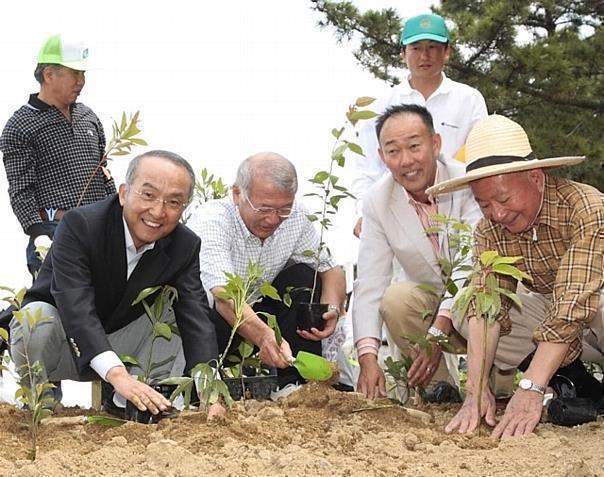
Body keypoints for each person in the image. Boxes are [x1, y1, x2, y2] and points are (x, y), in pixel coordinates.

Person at [9, 150, 223, 418]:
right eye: (148, 195)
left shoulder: (184, 245)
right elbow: (75, 306)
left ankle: (137, 403)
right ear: (123, 193)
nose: (158, 211)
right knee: (34, 318)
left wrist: (210, 389)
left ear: (183, 208)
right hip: (62, 344)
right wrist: (116, 373)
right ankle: (42, 405)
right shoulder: (82, 225)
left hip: (123, 344)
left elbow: (196, 317)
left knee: (184, 301)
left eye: (173, 202)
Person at [427, 114, 603, 438]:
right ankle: (578, 383)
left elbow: (574, 300)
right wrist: (476, 391)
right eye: (484, 205)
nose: (498, 213)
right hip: (564, 330)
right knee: (469, 311)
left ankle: (548, 380)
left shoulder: (586, 207)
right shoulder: (489, 231)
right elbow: (487, 306)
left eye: (504, 199)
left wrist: (531, 387)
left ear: (535, 177)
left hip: (596, 313)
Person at [188, 152, 347, 392]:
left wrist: (331, 308)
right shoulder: (213, 220)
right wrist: (264, 337)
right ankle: (206, 385)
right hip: (215, 323)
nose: (273, 219)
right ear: (237, 193)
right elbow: (224, 296)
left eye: (283, 209)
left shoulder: (296, 217)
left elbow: (331, 269)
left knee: (305, 277)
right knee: (211, 306)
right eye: (263, 208)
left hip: (261, 317)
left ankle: (295, 384)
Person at [353, 104, 482, 399]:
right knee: (395, 299)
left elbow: (472, 263)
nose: (406, 161)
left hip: (480, 299)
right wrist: (367, 357)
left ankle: (494, 385)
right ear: (382, 157)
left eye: (414, 146)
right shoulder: (377, 201)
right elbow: (370, 282)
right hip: (430, 305)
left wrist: (439, 330)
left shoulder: (469, 181)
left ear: (435, 144)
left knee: (489, 296)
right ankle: (441, 388)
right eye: (393, 151)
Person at [352, 13, 487, 238]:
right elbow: (367, 168)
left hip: (459, 212)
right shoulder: (382, 104)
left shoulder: (469, 99)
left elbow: (482, 159)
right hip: (398, 215)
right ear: (403, 53)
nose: (424, 56)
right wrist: (363, 213)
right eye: (416, 48)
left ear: (447, 51)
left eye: (433, 47)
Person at [0, 33, 114, 277]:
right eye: (75, 73)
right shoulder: (20, 125)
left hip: (100, 231)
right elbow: (21, 188)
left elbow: (103, 172)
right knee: (57, 310)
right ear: (49, 74)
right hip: (55, 231)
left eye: (84, 74)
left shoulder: (88, 116)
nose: (81, 81)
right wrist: (37, 232)